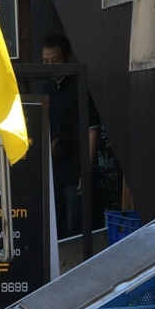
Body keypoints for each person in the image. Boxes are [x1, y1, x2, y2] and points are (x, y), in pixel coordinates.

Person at [42, 34, 101, 239]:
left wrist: (87, 170)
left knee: (74, 229)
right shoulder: (48, 88)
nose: (50, 66)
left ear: (67, 58)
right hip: (54, 172)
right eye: (46, 62)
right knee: (54, 227)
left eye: (55, 60)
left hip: (75, 172)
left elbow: (92, 129)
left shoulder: (79, 87)